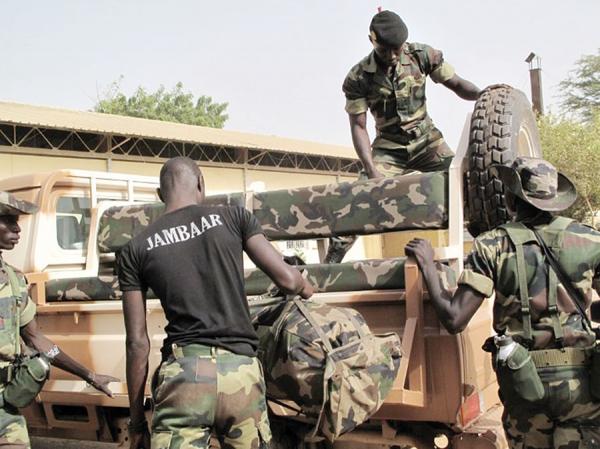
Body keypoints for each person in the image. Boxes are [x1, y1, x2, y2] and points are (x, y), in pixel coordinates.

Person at [118, 157, 314, 449]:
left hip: (184, 377)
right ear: (201, 184)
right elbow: (287, 280)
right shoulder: (235, 218)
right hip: (241, 375)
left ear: (160, 196)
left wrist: (136, 424)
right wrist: (306, 287)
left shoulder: (135, 249)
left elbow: (137, 344)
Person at [405, 157, 600, 448]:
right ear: (553, 200)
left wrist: (429, 267)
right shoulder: (589, 240)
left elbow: (454, 318)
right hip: (584, 384)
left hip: (523, 383)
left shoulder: (492, 245)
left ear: (511, 198)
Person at [325, 9, 481, 263]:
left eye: (397, 49)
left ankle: (487, 245)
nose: (393, 55)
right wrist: (371, 169)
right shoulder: (358, 77)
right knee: (359, 195)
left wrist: (484, 94)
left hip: (428, 141)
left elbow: (457, 84)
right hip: (389, 149)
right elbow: (359, 127)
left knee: (466, 180)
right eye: (386, 49)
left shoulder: (422, 56)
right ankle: (333, 257)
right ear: (372, 41)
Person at [0, 192, 117, 448]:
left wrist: (89, 375)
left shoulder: (14, 281)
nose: (17, 228)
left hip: (4, 405)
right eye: (7, 220)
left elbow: (36, 339)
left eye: (17, 220)